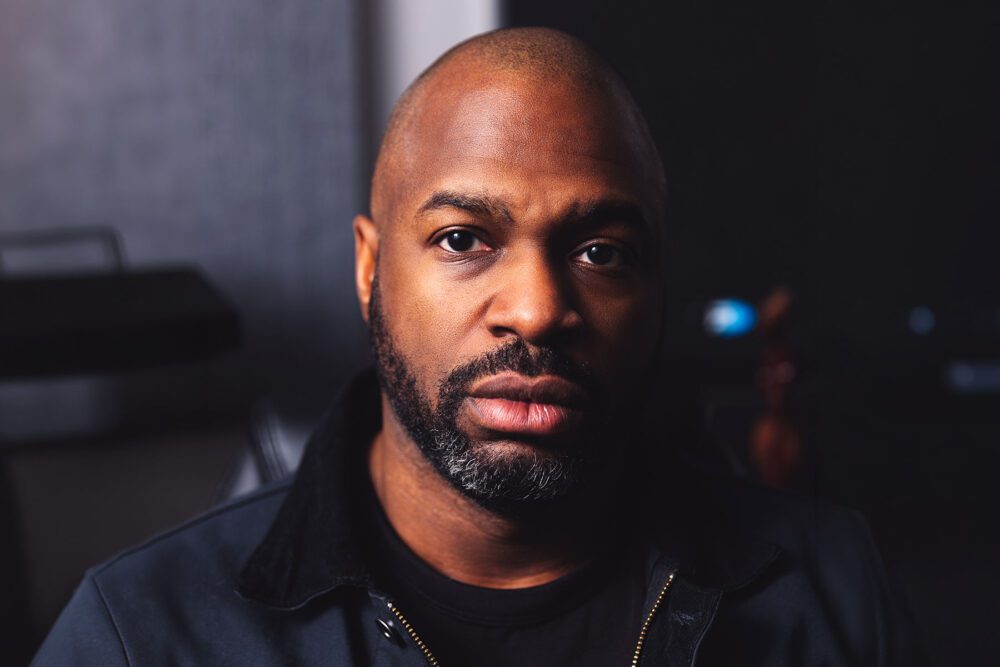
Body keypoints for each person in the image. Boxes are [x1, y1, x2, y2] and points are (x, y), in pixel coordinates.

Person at [34, 28, 920, 666]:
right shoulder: (141, 633)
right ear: (370, 269)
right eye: (462, 238)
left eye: (600, 252)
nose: (535, 310)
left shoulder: (828, 586)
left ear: (656, 284)